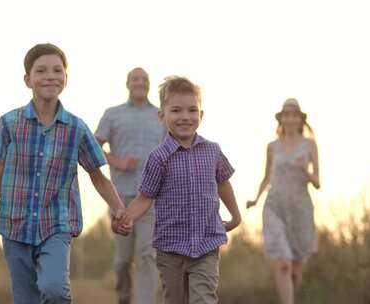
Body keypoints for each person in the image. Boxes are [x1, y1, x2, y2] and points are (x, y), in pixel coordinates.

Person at [0, 43, 127, 304]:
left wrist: (119, 208)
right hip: (14, 224)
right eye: (41, 71)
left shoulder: (76, 128)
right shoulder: (9, 123)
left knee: (54, 290)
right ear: (28, 79)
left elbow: (98, 176)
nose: (50, 76)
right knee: (26, 298)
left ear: (66, 78)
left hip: (56, 224)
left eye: (57, 70)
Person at [118, 76, 242, 304]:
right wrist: (127, 218)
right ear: (161, 116)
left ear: (201, 116)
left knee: (203, 299)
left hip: (206, 243)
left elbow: (223, 182)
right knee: (175, 299)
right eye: (176, 110)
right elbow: (146, 196)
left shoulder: (212, 151)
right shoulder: (158, 157)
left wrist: (235, 214)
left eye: (192, 110)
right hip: (171, 248)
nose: (185, 117)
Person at [95, 67, 165, 304]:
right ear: (128, 84)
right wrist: (118, 161)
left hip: (151, 198)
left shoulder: (161, 116)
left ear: (148, 84)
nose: (140, 82)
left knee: (148, 255)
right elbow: (94, 148)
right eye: (135, 78)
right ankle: (124, 298)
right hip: (119, 197)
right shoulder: (112, 114)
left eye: (144, 79)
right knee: (123, 260)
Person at [247, 98, 320, 304]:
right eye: (286, 115)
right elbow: (266, 177)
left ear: (300, 119)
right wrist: (255, 199)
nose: (290, 119)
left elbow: (318, 183)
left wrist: (305, 170)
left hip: (300, 210)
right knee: (283, 263)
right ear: (281, 119)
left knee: (295, 268)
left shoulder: (310, 145)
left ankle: (291, 298)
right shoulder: (272, 146)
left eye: (294, 115)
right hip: (275, 206)